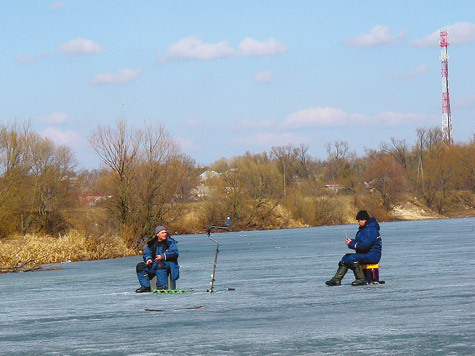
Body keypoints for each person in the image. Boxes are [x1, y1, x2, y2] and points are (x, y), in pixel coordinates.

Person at [325, 210, 382, 286]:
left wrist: (351, 244)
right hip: (366, 254)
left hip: (372, 256)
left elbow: (365, 246)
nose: (358, 223)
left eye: (359, 221)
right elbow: (361, 242)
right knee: (346, 258)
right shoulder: (365, 229)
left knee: (352, 258)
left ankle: (361, 279)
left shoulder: (370, 230)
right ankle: (336, 280)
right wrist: (352, 241)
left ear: (364, 220)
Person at [135, 225, 179, 293]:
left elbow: (175, 254)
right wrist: (148, 259)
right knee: (140, 266)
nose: (165, 234)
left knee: (160, 265)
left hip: (168, 265)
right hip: (154, 264)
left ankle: (162, 286)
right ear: (157, 234)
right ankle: (145, 286)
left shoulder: (170, 243)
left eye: (165, 232)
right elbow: (146, 253)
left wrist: (163, 257)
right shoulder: (152, 244)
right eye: (163, 233)